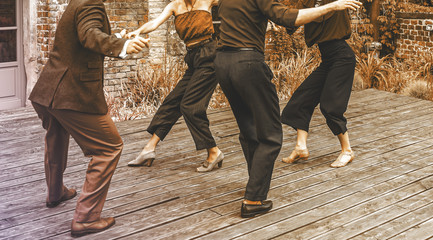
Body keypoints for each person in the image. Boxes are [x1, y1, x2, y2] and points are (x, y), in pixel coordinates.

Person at [215, 0, 361, 217]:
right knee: (278, 127)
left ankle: (255, 186)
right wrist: (330, 7)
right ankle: (255, 196)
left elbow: (282, 17)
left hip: (223, 63)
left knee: (250, 130)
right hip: (248, 63)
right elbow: (288, 17)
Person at [29, 0, 149, 237]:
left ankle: (55, 193)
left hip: (48, 90)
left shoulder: (79, 2)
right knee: (109, 147)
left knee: (56, 135)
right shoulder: (91, 3)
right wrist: (123, 45)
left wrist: (116, 37)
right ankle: (85, 219)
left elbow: (84, 37)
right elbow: (89, 35)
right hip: (71, 93)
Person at [126, 0, 224, 172]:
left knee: (190, 107)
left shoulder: (207, 1)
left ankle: (214, 151)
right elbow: (155, 23)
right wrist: (138, 31)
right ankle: (149, 149)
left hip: (210, 57)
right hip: (193, 58)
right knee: (172, 102)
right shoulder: (174, 6)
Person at [281, 0, 357, 168]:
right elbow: (290, 23)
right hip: (328, 60)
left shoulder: (336, 2)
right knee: (301, 101)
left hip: (342, 58)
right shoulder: (308, 3)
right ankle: (301, 147)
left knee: (331, 107)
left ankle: (347, 151)